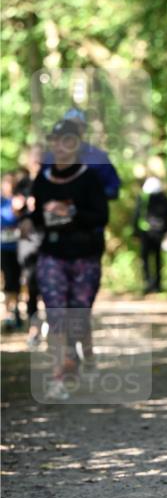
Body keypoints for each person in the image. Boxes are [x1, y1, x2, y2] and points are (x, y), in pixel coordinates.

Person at [27, 119, 109, 400]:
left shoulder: (90, 177)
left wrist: (70, 211)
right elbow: (37, 215)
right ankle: (57, 376)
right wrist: (32, 220)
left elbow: (101, 217)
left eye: (68, 140)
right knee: (56, 314)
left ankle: (87, 356)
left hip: (85, 255)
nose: (61, 146)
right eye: (57, 140)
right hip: (52, 255)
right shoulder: (43, 178)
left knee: (78, 314)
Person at [43, 108, 121, 201]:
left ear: (84, 129)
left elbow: (113, 190)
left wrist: (87, 194)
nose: (74, 129)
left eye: (78, 125)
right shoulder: (50, 157)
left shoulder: (98, 157)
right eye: (69, 125)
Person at [14, 145, 45, 347]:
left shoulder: (51, 181)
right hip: (28, 241)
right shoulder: (23, 183)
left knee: (51, 284)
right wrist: (21, 206)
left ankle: (53, 325)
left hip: (48, 238)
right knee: (31, 283)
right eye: (33, 158)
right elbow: (15, 209)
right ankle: (34, 327)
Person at [133, 176, 167, 293]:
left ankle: (149, 283)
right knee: (157, 259)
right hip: (158, 232)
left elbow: (137, 215)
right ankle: (156, 285)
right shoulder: (164, 198)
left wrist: (136, 233)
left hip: (146, 232)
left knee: (147, 258)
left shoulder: (143, 198)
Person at [1, 172, 22, 331]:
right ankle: (9, 313)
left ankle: (14, 310)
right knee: (8, 280)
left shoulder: (18, 201)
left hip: (18, 248)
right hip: (3, 249)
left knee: (17, 281)